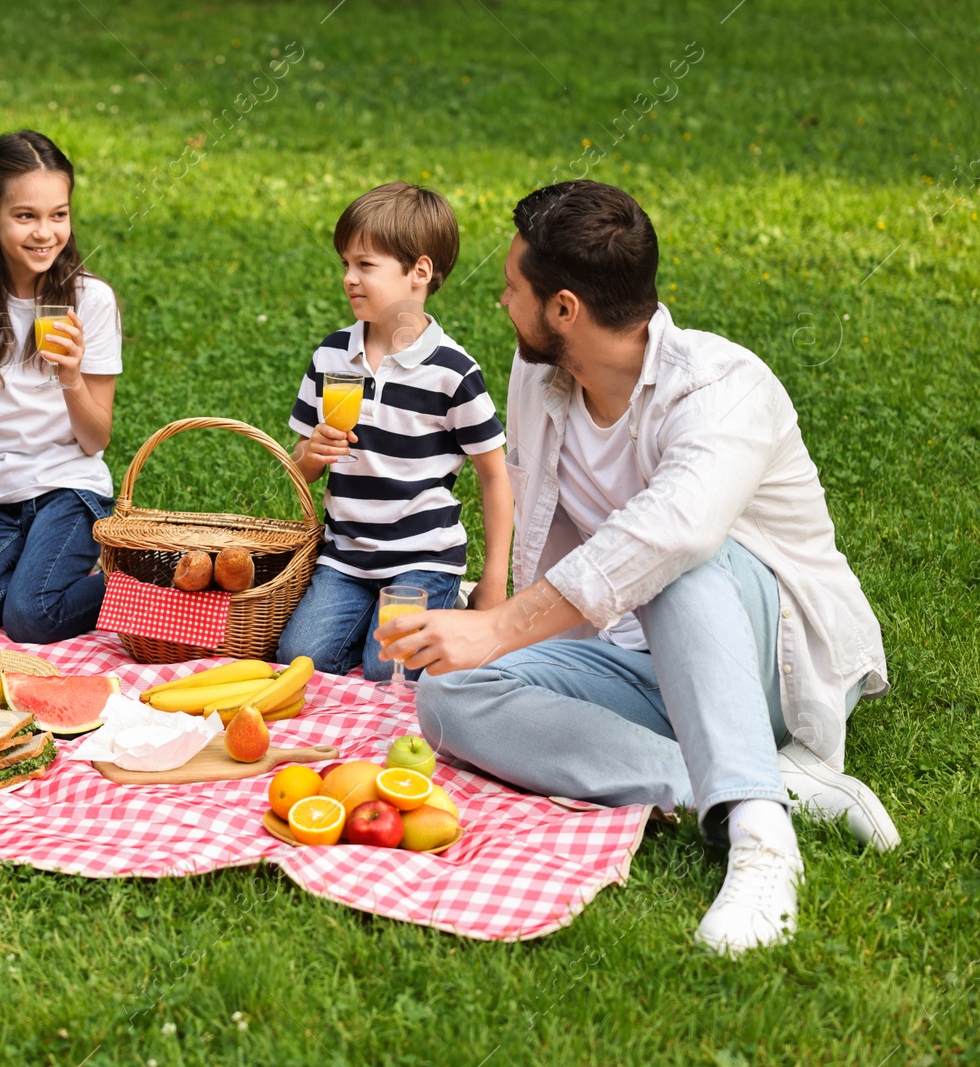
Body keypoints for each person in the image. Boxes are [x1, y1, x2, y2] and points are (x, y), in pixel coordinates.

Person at [378, 180, 898, 955]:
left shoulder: (723, 388)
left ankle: (761, 837)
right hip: (632, 660)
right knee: (449, 697)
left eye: (513, 288)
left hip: (770, 668)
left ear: (565, 309)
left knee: (676, 562)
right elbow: (553, 557)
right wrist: (491, 644)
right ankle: (753, 779)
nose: (500, 300)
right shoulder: (538, 378)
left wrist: (501, 626)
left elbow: (672, 535)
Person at [277, 181, 513, 681]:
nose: (349, 278)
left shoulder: (452, 372)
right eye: (345, 264)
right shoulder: (332, 355)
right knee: (300, 660)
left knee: (388, 673)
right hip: (345, 558)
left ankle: (451, 604)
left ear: (419, 272)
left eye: (365, 265)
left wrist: (494, 582)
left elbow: (495, 475)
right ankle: (387, 625)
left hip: (422, 559)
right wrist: (313, 454)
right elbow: (298, 466)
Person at [0, 130, 122, 644]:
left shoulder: (90, 301)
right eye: (26, 216)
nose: (45, 233)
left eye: (59, 214)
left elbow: (96, 439)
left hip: (70, 487)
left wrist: (72, 377)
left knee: (30, 618)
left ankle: (132, 581)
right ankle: (29, 564)